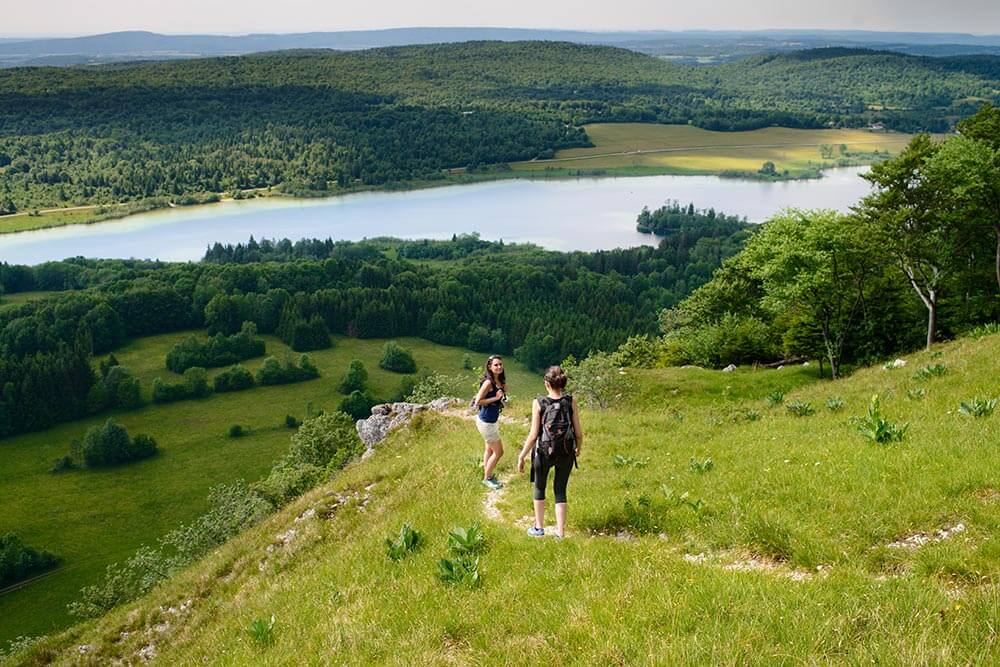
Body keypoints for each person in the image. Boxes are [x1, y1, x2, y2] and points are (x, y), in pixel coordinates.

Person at [517, 365, 582, 538]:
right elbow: (578, 432)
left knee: (539, 487)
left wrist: (522, 456)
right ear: (562, 383)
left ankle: (539, 528)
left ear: (546, 383)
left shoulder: (539, 402)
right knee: (560, 490)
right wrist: (578, 448)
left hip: (544, 452)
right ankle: (560, 534)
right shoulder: (570, 401)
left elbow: (532, 435)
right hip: (566, 452)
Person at [474, 355, 507, 491]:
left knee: (489, 449)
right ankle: (487, 478)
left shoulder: (499, 381)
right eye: (496, 365)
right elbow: (478, 401)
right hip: (486, 422)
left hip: (490, 421)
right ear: (489, 367)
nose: (499, 367)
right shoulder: (488, 382)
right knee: (499, 452)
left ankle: (487, 473)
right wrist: (496, 397)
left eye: (500, 364)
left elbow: (499, 398)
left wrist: (502, 394)